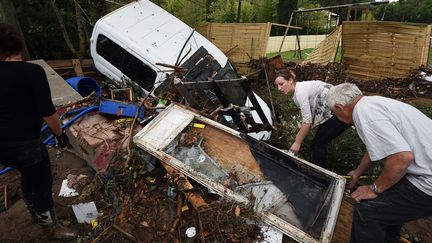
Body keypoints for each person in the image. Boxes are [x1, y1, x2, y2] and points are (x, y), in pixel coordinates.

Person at [326, 83, 432, 243]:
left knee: (368, 213)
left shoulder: (365, 114)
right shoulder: (370, 104)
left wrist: (375, 188)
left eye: (334, 112)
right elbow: (379, 146)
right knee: (387, 210)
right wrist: (358, 172)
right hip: (425, 170)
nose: (336, 116)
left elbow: (402, 158)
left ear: (340, 108)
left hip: (427, 180)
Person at [0, 23, 76, 240]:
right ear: (18, 47)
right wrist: (60, 135)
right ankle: (50, 226)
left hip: (2, 148)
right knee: (41, 182)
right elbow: (48, 114)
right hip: (25, 145)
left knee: (26, 173)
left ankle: (31, 205)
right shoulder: (32, 72)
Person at [274, 70, 351, 166]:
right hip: (332, 112)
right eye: (277, 85)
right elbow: (307, 119)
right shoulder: (299, 90)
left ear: (290, 80)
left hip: (342, 111)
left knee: (318, 144)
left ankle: (319, 176)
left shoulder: (300, 92)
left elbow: (307, 122)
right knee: (317, 143)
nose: (279, 88)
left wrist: (297, 143)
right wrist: (299, 135)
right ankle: (318, 169)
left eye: (281, 84)